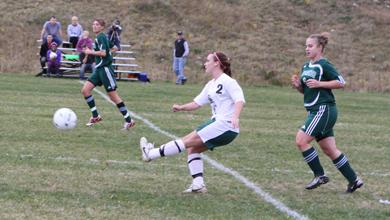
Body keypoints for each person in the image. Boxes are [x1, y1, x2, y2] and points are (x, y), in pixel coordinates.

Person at [140, 52, 245, 193]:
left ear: (217, 63)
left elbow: (240, 100)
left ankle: (150, 154)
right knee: (192, 149)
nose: (205, 63)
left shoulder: (228, 81)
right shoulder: (211, 84)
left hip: (225, 125)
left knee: (186, 141)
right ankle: (198, 185)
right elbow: (197, 103)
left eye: (208, 60)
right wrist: (181, 107)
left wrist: (235, 117)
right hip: (223, 126)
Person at [291, 32, 363, 193]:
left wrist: (319, 83)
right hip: (316, 110)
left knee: (301, 141)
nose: (307, 48)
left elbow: (341, 82)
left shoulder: (324, 64)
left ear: (320, 47)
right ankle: (354, 180)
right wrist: (298, 86)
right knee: (329, 149)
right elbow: (308, 91)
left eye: (310, 46)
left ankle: (319, 175)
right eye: (306, 46)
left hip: (324, 110)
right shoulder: (306, 66)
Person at [81, 18, 135, 130]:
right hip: (99, 69)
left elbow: (104, 53)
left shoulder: (101, 37)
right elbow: (114, 48)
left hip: (105, 69)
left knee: (113, 96)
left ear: (102, 27)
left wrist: (90, 52)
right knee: (85, 90)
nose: (94, 26)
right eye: (93, 24)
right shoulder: (101, 37)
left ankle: (129, 121)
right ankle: (96, 116)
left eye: (97, 24)